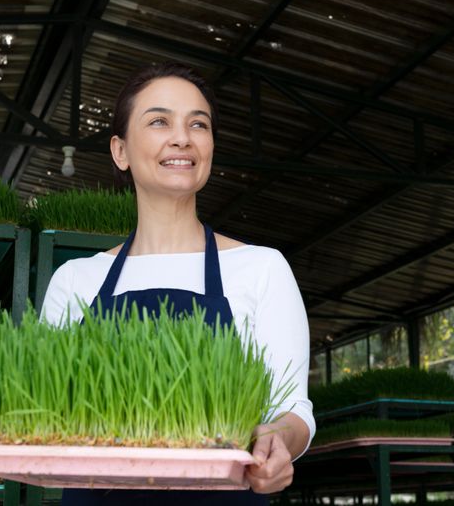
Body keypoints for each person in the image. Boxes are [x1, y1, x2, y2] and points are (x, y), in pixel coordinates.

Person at [41, 62, 315, 505]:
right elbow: (48, 414)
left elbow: (293, 408)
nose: (182, 137)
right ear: (120, 151)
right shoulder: (76, 280)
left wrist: (278, 440)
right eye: (159, 121)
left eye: (198, 124)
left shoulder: (261, 268)